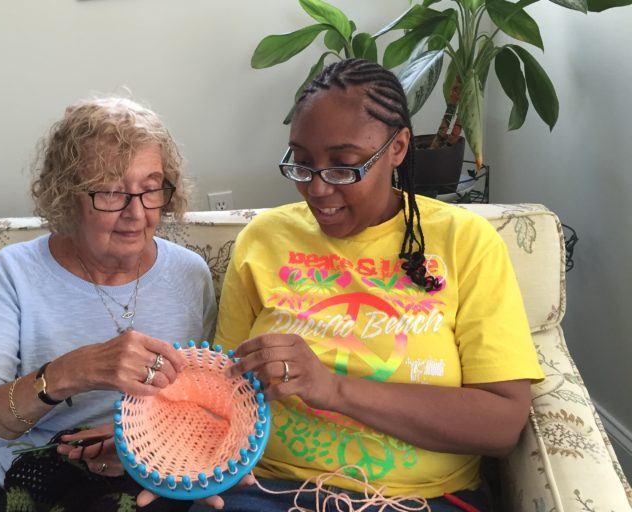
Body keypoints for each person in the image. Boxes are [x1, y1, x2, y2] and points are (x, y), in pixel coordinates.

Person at [201, 59, 545, 511]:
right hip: (264, 489)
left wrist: (334, 389)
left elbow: (501, 426)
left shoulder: (465, 242)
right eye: (302, 165)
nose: (318, 190)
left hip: (417, 499)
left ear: (398, 147)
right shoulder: (262, 240)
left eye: (343, 167)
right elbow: (221, 387)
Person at [0, 96, 216, 511]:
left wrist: (130, 444)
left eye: (150, 189)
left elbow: (203, 403)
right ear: (67, 195)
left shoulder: (190, 273)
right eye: (111, 192)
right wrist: (70, 373)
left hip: (145, 473)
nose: (136, 214)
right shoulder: (17, 271)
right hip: (24, 475)